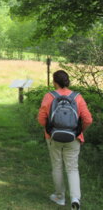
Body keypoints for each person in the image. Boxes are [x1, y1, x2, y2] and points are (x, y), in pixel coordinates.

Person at [38, 70, 93, 210]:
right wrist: (80, 132)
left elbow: (41, 119)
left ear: (54, 82)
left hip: (53, 137)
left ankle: (59, 197)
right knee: (73, 168)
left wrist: (50, 130)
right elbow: (88, 119)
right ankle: (75, 199)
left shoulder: (49, 96)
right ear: (68, 81)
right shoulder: (77, 97)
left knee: (57, 166)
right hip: (73, 137)